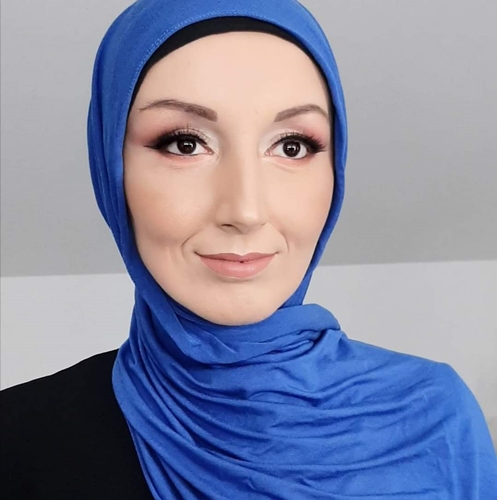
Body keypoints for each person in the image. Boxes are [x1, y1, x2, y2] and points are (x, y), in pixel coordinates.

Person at [1, 0, 496, 498]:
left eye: (292, 146)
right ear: (111, 167)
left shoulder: (438, 418)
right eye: (185, 144)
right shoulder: (18, 439)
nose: (246, 210)